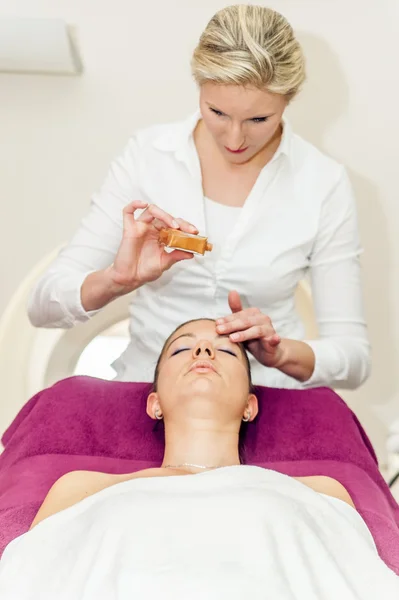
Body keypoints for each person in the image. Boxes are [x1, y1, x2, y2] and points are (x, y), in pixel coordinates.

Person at [27, 4, 370, 390]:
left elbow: (355, 359)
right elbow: (42, 305)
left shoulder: (323, 182)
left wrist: (281, 353)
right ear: (199, 87)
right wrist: (117, 280)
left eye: (259, 119)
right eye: (217, 112)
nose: (235, 139)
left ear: (287, 101)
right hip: (150, 390)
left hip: (269, 395)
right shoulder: (149, 156)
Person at [0, 319, 396, 599]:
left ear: (250, 406)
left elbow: (356, 579)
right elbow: (31, 575)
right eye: (182, 348)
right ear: (153, 403)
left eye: (225, 349)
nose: (204, 350)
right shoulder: (79, 485)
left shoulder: (322, 490)